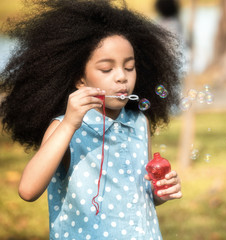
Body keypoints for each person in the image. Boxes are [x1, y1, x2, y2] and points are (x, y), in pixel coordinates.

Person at [0, 0, 183, 239]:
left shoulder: (139, 123)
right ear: (80, 80)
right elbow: (28, 190)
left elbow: (139, 193)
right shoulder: (65, 128)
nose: (121, 77)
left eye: (130, 67)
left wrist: (160, 191)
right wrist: (68, 123)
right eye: (107, 69)